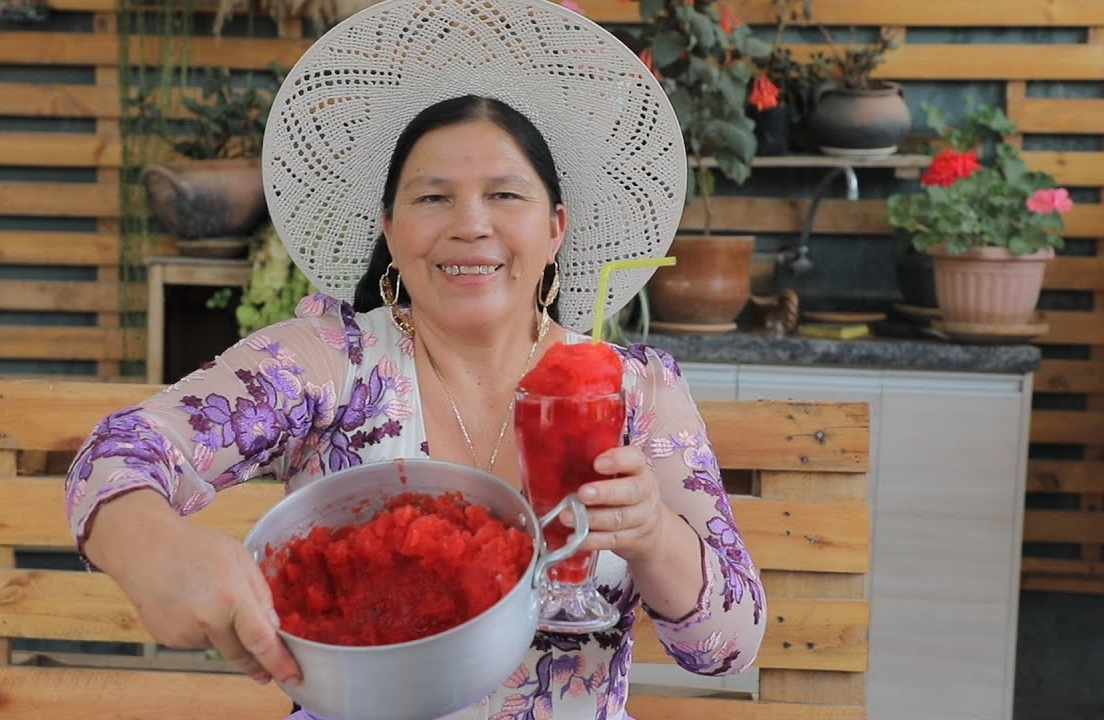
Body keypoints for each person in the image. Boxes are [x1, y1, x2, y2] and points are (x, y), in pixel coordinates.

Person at [65, 0, 765, 717]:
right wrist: (152, 548)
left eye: (505, 194)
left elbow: (729, 646)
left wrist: (653, 537)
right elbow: (118, 453)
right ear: (391, 231)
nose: (470, 224)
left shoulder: (633, 391)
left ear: (556, 229)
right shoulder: (328, 366)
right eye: (433, 197)